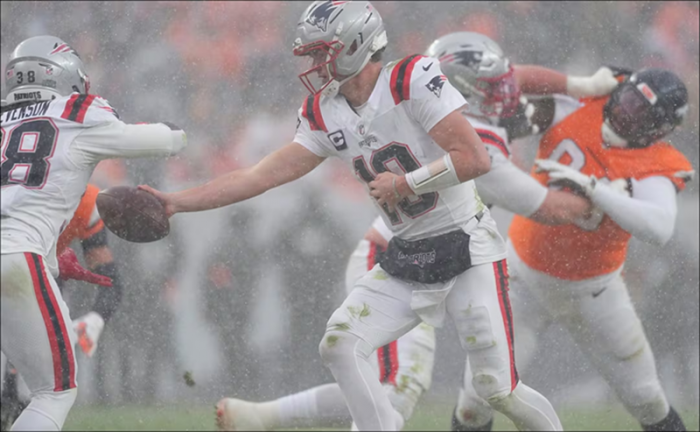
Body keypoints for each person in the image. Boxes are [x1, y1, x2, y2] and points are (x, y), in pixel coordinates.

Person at [140, 2, 562, 430]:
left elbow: (474, 159)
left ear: (354, 46)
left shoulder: (411, 79)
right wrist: (176, 202)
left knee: (497, 390)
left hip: (466, 248)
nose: (313, 63)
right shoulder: (325, 112)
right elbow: (258, 176)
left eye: (320, 52)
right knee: (340, 344)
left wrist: (406, 184)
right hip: (409, 255)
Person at [210, 31, 622, 431]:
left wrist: (581, 84)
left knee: (430, 388)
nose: (507, 93)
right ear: (466, 89)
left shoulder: (442, 110)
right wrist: (605, 194)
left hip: (445, 251)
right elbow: (552, 208)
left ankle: (262, 417)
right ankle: (265, 418)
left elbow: (517, 76)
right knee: (394, 389)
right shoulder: (465, 134)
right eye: (493, 87)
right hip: (399, 256)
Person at [453, 67, 693, 432]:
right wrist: (573, 84)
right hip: (521, 276)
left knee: (647, 398)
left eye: (642, 113)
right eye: (629, 101)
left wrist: (597, 190)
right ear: (620, 89)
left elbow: (659, 228)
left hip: (595, 291)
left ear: (660, 130)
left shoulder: (659, 164)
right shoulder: (582, 102)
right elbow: (508, 83)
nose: (627, 114)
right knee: (477, 397)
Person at [1, 35, 187, 431]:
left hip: (18, 255)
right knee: (53, 393)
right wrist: (173, 130)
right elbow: (169, 140)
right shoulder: (76, 111)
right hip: (15, 254)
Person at [1, 184, 122, 430]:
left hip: (29, 277)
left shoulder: (85, 201)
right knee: (51, 393)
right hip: (21, 271)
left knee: (34, 393)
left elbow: (110, 280)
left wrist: (96, 318)